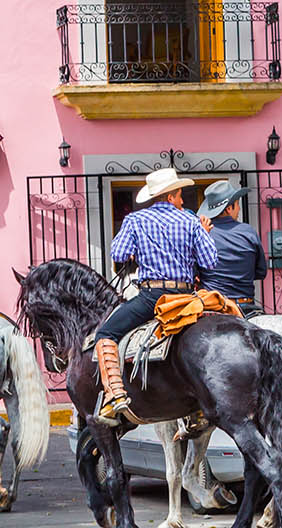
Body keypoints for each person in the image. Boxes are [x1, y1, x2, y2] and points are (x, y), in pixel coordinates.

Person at [92, 166, 218, 424]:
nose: (182, 200)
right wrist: (201, 236)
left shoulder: (135, 221)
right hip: (187, 298)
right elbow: (210, 261)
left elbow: (118, 255)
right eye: (180, 195)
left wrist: (142, 251)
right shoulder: (191, 221)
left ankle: (115, 394)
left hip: (153, 298)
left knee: (106, 333)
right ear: (170, 196)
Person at [196, 179, 268, 317]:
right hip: (246, 306)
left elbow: (195, 272)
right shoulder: (249, 232)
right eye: (237, 205)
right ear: (229, 209)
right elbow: (261, 272)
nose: (239, 208)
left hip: (214, 306)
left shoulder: (203, 234)